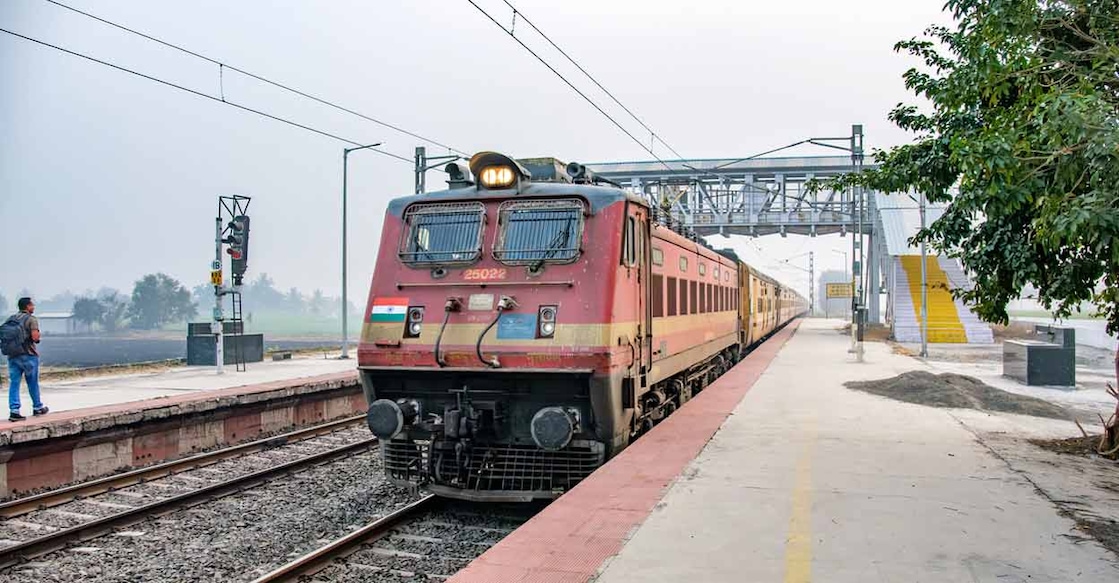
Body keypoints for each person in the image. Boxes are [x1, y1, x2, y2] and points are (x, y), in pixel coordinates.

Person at [3, 297, 48, 421]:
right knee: (32, 382)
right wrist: (37, 338)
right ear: (27, 306)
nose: (33, 307)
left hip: (12, 356)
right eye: (32, 305)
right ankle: (37, 407)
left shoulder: (11, 319)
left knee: (14, 383)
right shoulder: (31, 319)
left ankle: (14, 411)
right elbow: (35, 337)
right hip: (28, 355)